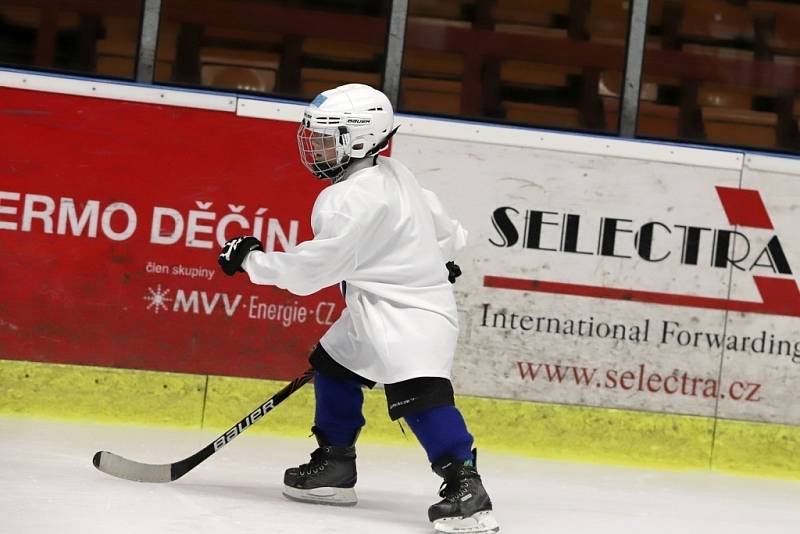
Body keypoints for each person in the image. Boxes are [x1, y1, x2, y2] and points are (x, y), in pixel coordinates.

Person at [217, 83, 499, 534]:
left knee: (420, 395)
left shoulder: (348, 199)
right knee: (334, 365)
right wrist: (439, 257)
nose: (315, 147)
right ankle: (334, 466)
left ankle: (467, 489)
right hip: (377, 303)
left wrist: (250, 259)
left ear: (360, 139)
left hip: (413, 314)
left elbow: (310, 273)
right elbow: (446, 229)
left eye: (328, 137)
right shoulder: (392, 172)